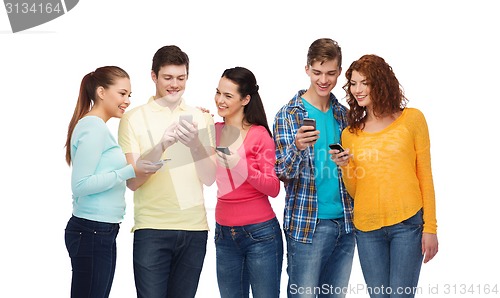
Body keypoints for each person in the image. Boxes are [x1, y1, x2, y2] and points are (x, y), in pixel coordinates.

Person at [333, 54, 439, 298]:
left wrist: (430, 227)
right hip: (367, 229)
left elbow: (425, 175)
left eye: (364, 83)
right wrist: (345, 166)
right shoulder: (350, 134)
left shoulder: (412, 119)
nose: (357, 90)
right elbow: (356, 191)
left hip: (407, 226)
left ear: (380, 83)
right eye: (353, 83)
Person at [117, 45, 216, 298]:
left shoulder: (201, 117)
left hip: (194, 230)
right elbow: (133, 182)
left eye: (181, 78)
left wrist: (195, 144)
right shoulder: (133, 118)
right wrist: (162, 144)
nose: (175, 84)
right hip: (151, 229)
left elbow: (209, 178)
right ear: (154, 76)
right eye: (168, 78)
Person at [64, 66, 160, 298]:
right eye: (122, 93)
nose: (126, 100)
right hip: (92, 230)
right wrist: (129, 170)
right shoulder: (93, 127)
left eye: (129, 95)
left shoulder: (96, 127)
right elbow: (81, 185)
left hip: (100, 230)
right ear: (101, 92)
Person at [273, 38, 355, 297]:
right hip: (308, 224)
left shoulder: (344, 115)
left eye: (330, 73)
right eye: (317, 72)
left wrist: (347, 163)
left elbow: (355, 171)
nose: (323, 79)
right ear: (307, 69)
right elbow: (282, 173)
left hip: (346, 222)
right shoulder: (288, 114)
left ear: (339, 72)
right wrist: (297, 146)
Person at [213, 66, 283, 298]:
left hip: (260, 234)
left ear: (245, 99)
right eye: (218, 93)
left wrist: (240, 165)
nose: (220, 100)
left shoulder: (259, 135)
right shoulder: (212, 131)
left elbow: (273, 188)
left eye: (228, 96)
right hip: (224, 235)